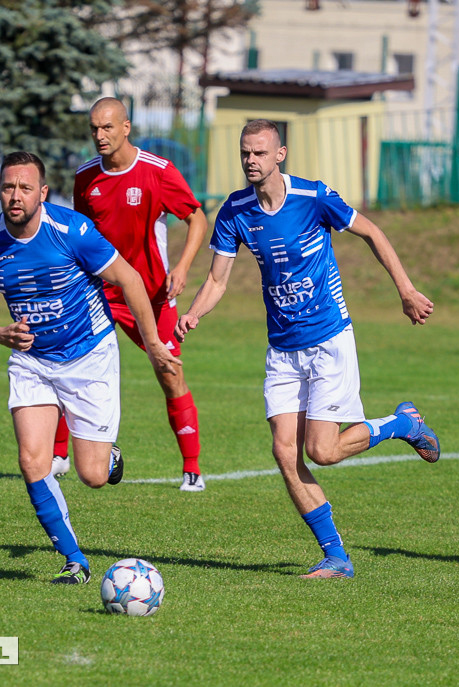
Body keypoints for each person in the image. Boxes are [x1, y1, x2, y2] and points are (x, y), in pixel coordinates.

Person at [174, 119, 440, 578]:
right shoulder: (234, 211)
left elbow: (373, 232)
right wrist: (195, 313)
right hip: (282, 351)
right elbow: (218, 278)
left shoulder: (313, 197)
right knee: (284, 452)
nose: (250, 161)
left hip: (328, 342)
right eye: (245, 153)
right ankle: (336, 556)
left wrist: (407, 290)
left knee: (323, 451)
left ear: (280, 155)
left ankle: (401, 424)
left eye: (259, 153)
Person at [0, 151, 179, 584]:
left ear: (42, 193)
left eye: (25, 188)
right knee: (32, 461)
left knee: (93, 476)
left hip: (89, 354)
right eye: (8, 187)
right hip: (32, 361)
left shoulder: (72, 230)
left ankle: (108, 454)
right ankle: (74, 560)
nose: (15, 196)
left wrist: (154, 344)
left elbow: (130, 279)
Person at [50, 96, 210, 492]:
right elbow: (81, 236)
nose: (99, 136)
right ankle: (59, 456)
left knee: (170, 371)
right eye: (93, 129)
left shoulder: (157, 171)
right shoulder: (86, 177)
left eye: (107, 127)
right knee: (68, 365)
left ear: (126, 127)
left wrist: (184, 267)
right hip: (99, 292)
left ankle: (192, 467)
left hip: (152, 294)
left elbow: (197, 217)